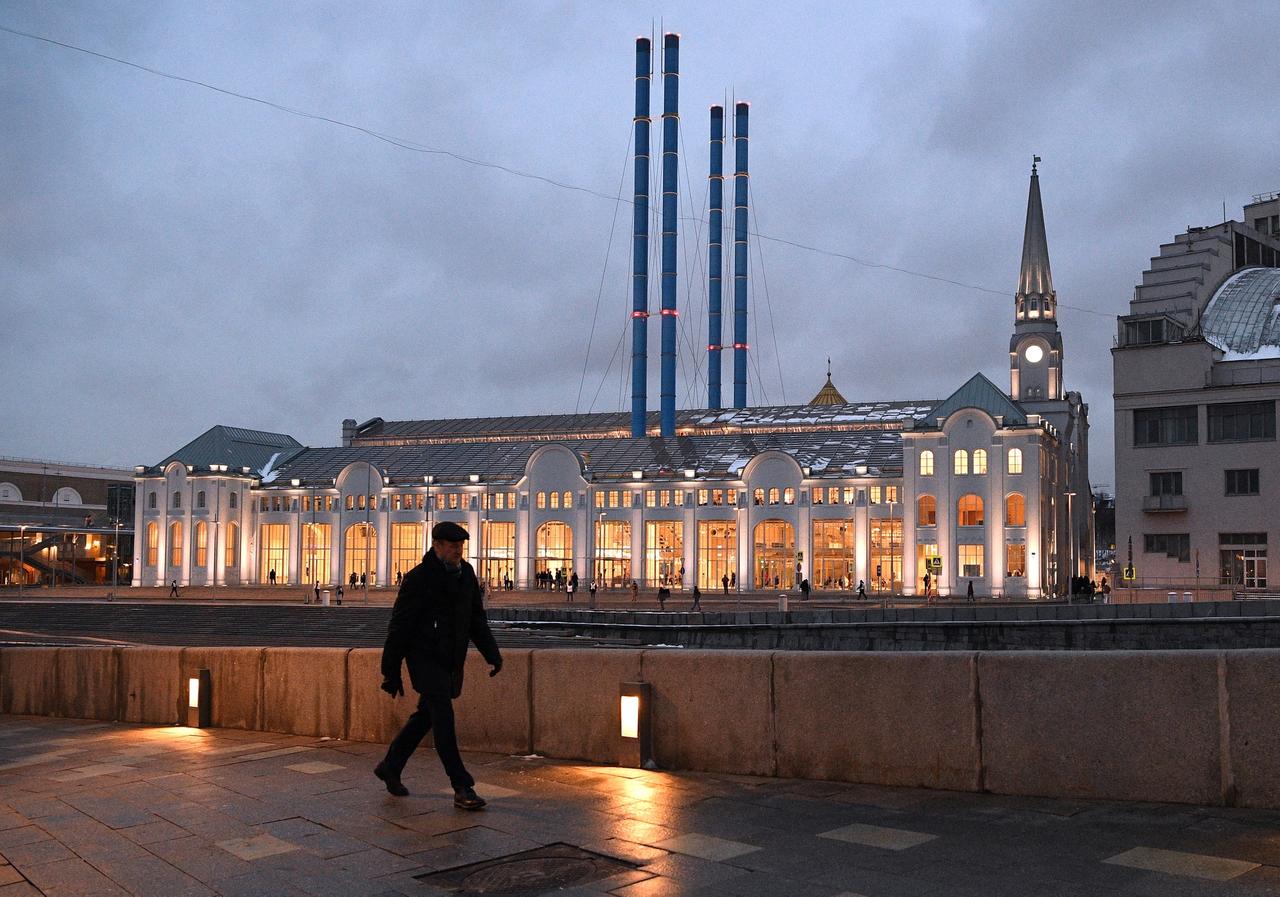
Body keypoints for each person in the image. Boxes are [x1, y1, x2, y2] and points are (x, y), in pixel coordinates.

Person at [376, 521, 502, 811]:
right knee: (443, 717)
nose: (458, 550)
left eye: (460, 546)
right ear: (436, 546)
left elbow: (476, 620)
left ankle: (391, 766)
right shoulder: (418, 578)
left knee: (426, 716)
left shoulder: (466, 574)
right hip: (424, 659)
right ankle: (461, 785)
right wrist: (390, 671)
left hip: (450, 659)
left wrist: (492, 654)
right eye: (452, 545)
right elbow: (399, 628)